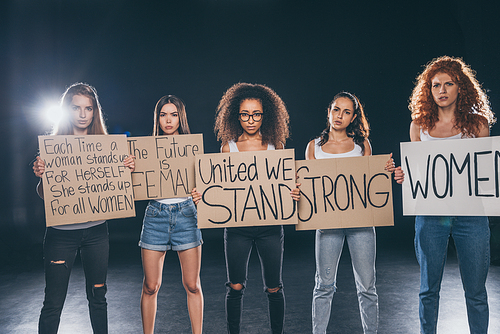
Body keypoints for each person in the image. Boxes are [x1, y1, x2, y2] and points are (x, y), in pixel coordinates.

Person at [394, 56, 496, 334]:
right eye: (435, 85)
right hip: (430, 215)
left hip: (471, 215)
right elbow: (418, 173)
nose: (441, 90)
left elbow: (484, 169)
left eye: (448, 83)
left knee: (475, 291)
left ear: (460, 87)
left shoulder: (478, 125)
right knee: (428, 289)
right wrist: (405, 175)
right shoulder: (419, 126)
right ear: (429, 90)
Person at [32, 82, 135, 334]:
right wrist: (42, 175)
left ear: (94, 112)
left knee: (98, 298)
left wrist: (128, 171)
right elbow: (46, 196)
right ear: (67, 111)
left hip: (97, 233)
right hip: (60, 235)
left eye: (88, 108)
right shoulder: (53, 146)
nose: (82, 114)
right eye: (76, 108)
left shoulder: (107, 146)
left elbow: (119, 190)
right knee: (53, 303)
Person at [305, 91, 394, 334]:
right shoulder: (314, 147)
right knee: (323, 285)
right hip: (327, 225)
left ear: (353, 116)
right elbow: (311, 188)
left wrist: (384, 170)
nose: (339, 115)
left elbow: (370, 184)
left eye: (346, 111)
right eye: (336, 109)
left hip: (362, 224)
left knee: (367, 286)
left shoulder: (361, 145)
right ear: (329, 111)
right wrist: (297, 190)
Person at [212, 82, 297, 334]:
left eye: (256, 114)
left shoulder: (275, 147)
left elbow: (284, 186)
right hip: (237, 229)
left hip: (270, 228)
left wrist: (292, 192)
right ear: (236, 116)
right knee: (235, 286)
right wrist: (203, 196)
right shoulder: (228, 148)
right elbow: (219, 188)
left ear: (265, 115)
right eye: (245, 114)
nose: (250, 120)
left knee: (274, 287)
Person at [139, 95, 203, 334]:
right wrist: (130, 167)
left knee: (193, 285)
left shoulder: (192, 148)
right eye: (163, 114)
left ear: (181, 117)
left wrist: (200, 193)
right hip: (155, 215)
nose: (168, 120)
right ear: (157, 118)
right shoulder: (145, 149)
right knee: (150, 286)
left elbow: (204, 181)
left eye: (174, 114)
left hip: (186, 214)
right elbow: (136, 182)